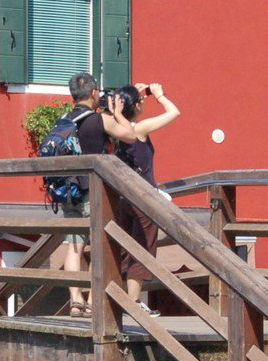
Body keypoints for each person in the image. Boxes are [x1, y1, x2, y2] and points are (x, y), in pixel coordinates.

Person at [101, 82, 181, 313]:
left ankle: (122, 300)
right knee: (141, 249)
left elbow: (121, 113)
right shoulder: (139, 129)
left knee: (124, 248)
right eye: (141, 101)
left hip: (122, 199)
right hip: (143, 200)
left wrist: (131, 95)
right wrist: (160, 95)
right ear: (136, 106)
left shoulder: (116, 129)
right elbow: (174, 112)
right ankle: (133, 303)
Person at [59, 71, 112, 316]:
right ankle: (91, 301)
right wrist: (115, 111)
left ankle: (75, 300)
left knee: (74, 247)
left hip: (69, 189)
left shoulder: (63, 120)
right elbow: (129, 135)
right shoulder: (98, 120)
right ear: (93, 93)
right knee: (99, 245)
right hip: (92, 190)